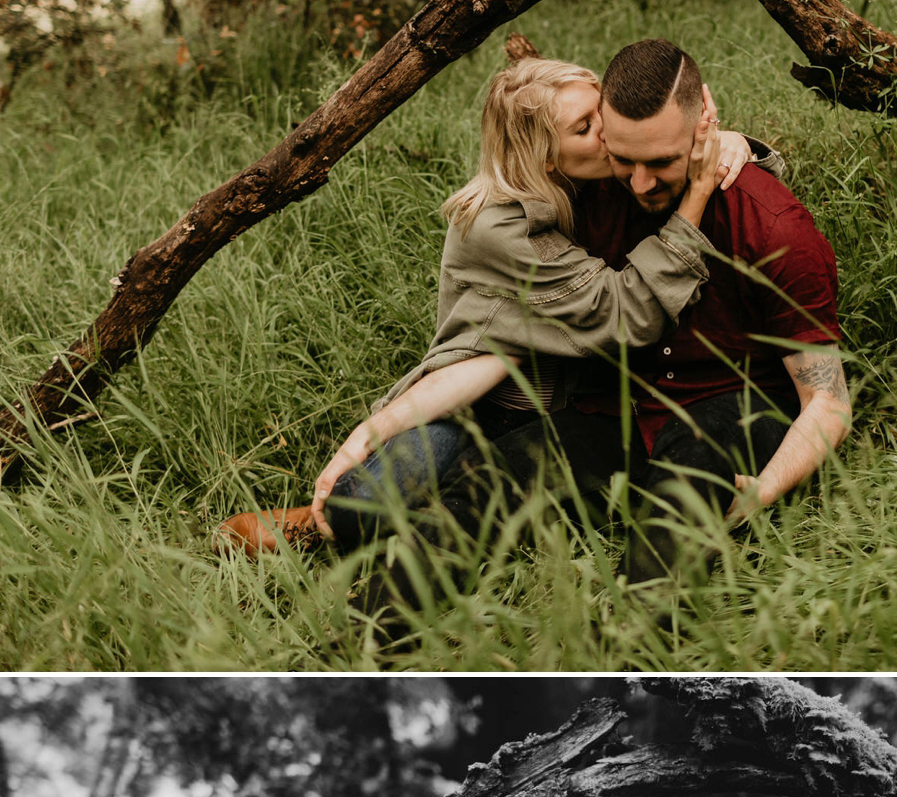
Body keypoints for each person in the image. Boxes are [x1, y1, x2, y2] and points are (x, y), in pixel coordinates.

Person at [216, 48, 751, 557]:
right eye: (586, 128)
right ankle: (315, 520)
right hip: (472, 407)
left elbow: (665, 146)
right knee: (363, 508)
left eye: (601, 114)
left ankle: (446, 502)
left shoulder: (595, 174)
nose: (610, 134)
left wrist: (727, 142)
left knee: (546, 499)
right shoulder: (499, 225)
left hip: (564, 408)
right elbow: (621, 313)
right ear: (541, 154)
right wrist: (367, 434)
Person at [563, 29, 853, 534]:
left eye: (660, 162)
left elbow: (828, 402)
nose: (639, 183)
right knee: (481, 486)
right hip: (617, 411)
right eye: (624, 159)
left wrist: (765, 489)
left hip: (730, 411)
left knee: (671, 527)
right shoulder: (587, 194)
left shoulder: (772, 224)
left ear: (705, 122)